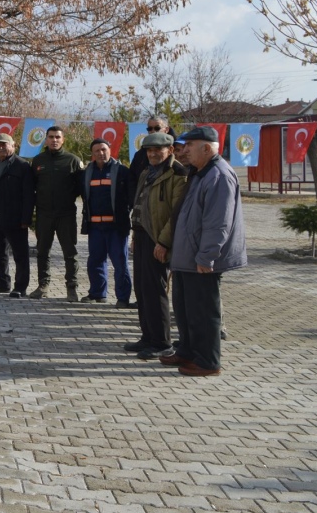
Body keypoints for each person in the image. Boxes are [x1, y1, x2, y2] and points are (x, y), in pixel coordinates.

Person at [165, 126, 246, 376]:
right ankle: (188, 352)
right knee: (186, 310)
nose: (185, 150)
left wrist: (206, 256)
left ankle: (208, 362)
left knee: (203, 312)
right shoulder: (199, 172)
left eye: (190, 146)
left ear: (207, 148)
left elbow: (218, 222)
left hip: (200, 259)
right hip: (186, 258)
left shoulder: (219, 175)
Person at [125, 131, 188, 360]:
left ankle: (162, 342)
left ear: (169, 151)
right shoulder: (146, 172)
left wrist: (163, 242)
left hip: (158, 239)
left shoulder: (178, 174)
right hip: (141, 236)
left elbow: (176, 214)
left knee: (156, 291)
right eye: (149, 151)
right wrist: (134, 235)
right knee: (142, 289)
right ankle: (148, 337)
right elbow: (140, 205)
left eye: (157, 150)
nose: (152, 154)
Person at [30, 126, 84, 300]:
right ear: (46, 139)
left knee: (70, 252)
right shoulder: (38, 161)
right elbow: (33, 187)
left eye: (57, 137)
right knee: (42, 251)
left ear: (63, 140)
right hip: (44, 214)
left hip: (66, 214)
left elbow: (80, 188)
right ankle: (43, 285)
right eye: (51, 137)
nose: (54, 140)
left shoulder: (73, 161)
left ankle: (71, 287)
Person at [80, 138, 133, 306]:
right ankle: (97, 293)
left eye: (103, 149)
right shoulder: (88, 172)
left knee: (120, 263)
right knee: (95, 261)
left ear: (110, 150)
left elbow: (131, 198)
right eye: (96, 151)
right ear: (92, 154)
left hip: (116, 228)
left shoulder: (122, 171)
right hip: (95, 227)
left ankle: (123, 298)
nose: (100, 153)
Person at [0, 133, 34, 297]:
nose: (0, 148)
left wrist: (26, 219)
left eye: (4, 144)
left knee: (20, 254)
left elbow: (28, 195)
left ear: (13, 145)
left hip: (15, 218)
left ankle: (20, 287)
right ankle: (3, 283)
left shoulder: (22, 166)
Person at [129, 116, 173, 191]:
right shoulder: (139, 155)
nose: (153, 131)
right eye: (150, 129)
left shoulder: (179, 149)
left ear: (166, 129)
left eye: (157, 128)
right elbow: (131, 180)